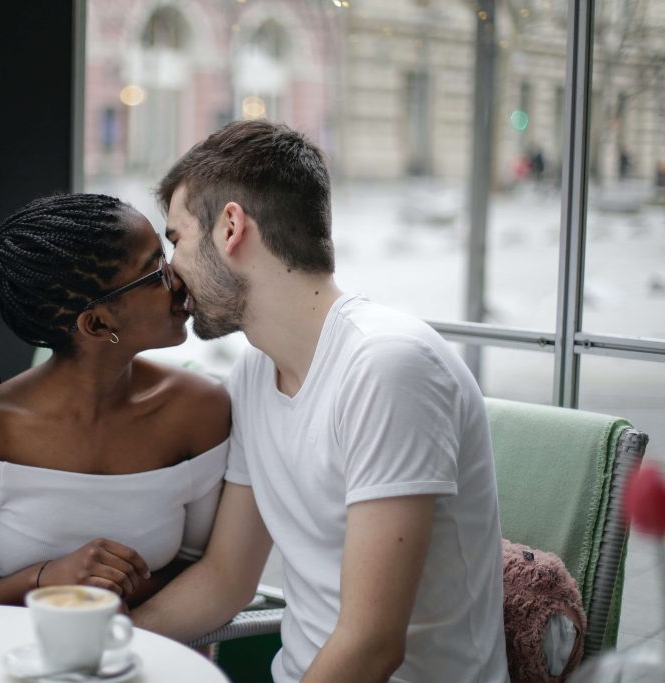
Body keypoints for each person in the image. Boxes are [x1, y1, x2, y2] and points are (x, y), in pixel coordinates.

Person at [132, 120, 509, 683]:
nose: (170, 270)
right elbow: (225, 580)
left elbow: (372, 646)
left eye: (176, 240)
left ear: (231, 227)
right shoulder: (255, 374)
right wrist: (101, 641)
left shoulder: (386, 367)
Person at [0, 193, 230, 609]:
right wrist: (47, 579)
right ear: (98, 323)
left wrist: (104, 603)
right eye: (155, 270)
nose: (178, 276)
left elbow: (199, 567)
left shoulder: (200, 411)